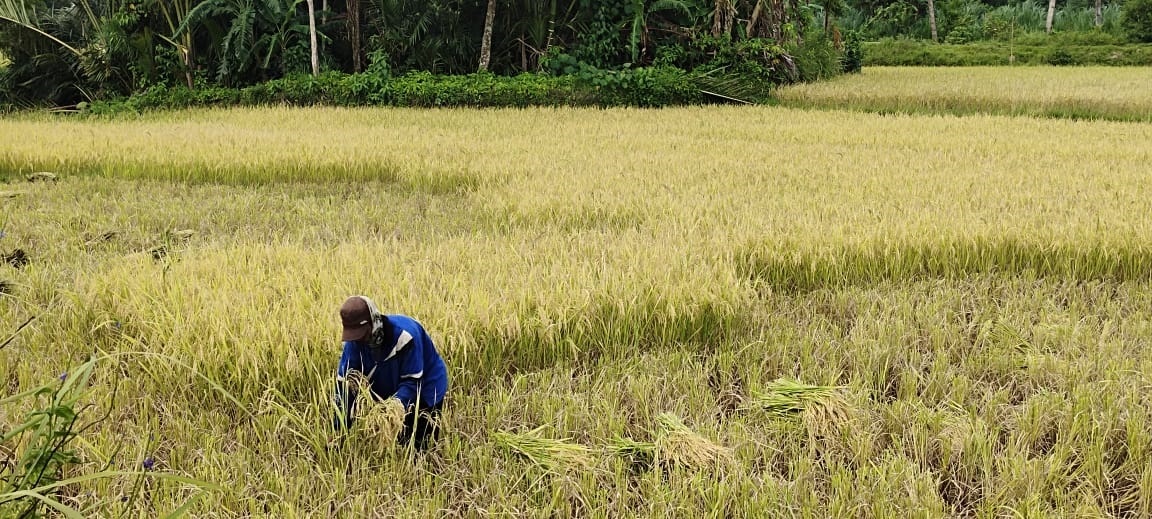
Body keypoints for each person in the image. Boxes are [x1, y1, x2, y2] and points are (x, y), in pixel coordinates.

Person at [333, 295, 448, 451]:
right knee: (399, 440)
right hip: (390, 382)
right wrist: (339, 430)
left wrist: (391, 410)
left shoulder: (404, 337)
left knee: (419, 444)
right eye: (353, 335)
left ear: (374, 321)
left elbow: (411, 382)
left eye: (361, 334)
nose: (359, 340)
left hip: (426, 385)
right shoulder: (354, 344)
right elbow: (345, 386)